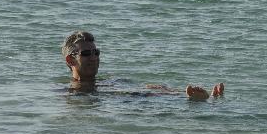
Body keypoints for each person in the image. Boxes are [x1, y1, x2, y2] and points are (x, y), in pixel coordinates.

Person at [62, 30, 224, 100]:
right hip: (124, 104)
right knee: (140, 95)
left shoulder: (109, 81)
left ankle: (193, 95)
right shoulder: (71, 92)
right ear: (70, 60)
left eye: (96, 53)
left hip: (116, 91)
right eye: (86, 54)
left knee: (151, 87)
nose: (93, 57)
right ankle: (190, 98)